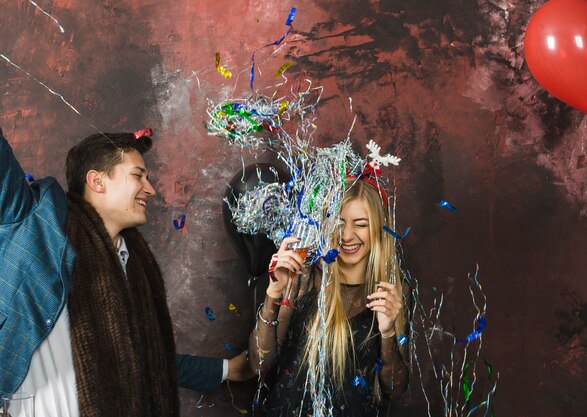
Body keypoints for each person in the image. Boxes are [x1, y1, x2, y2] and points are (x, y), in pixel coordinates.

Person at [0, 127, 252, 417]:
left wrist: (225, 370)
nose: (150, 188)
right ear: (97, 181)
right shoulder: (34, 223)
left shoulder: (131, 263)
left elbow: (145, 358)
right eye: (137, 176)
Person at [249, 178, 409, 417]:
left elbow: (394, 391)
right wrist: (273, 294)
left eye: (361, 224)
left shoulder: (392, 291)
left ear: (378, 228)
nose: (346, 235)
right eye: (338, 222)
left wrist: (387, 334)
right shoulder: (302, 278)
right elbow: (259, 365)